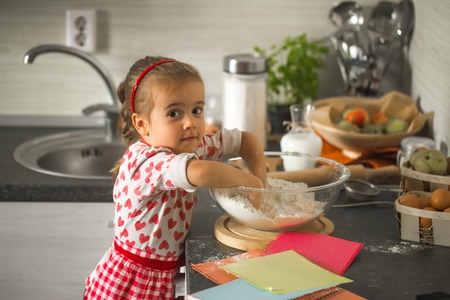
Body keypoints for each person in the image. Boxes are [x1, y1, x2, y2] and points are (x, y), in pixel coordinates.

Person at [83, 56, 267, 299]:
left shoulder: (190, 146)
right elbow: (200, 172)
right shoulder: (147, 160)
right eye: (174, 113)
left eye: (196, 110)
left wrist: (261, 179)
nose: (190, 122)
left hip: (163, 275)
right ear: (142, 124)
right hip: (133, 282)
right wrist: (248, 182)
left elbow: (245, 140)